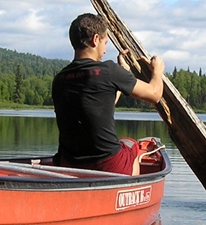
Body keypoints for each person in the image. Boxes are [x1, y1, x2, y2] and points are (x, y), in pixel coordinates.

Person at [52, 13, 165, 175]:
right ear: (95, 39)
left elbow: (98, 107)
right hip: (107, 164)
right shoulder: (108, 71)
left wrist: (122, 73)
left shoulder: (59, 79)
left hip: (69, 164)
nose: (105, 50)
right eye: (105, 43)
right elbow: (155, 94)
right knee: (131, 145)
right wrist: (157, 72)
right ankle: (129, 190)